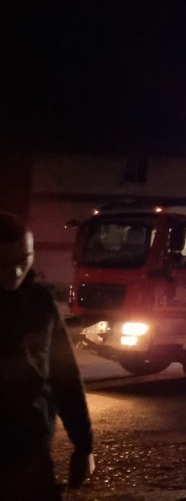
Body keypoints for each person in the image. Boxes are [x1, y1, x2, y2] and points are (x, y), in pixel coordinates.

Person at [0, 211, 95, 500]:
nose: (15, 272)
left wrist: (83, 446)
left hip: (31, 449)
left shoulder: (39, 303)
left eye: (23, 260)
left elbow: (64, 375)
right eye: (2, 262)